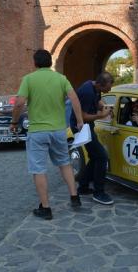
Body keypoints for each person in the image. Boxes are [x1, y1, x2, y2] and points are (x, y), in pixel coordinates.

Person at [10, 49, 84, 220]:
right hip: (58, 130)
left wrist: (14, 122)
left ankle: (46, 208)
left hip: (37, 132)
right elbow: (74, 99)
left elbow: (20, 102)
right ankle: (74, 196)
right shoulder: (61, 78)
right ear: (50, 62)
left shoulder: (29, 79)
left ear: (35, 63)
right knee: (65, 163)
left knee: (39, 169)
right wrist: (79, 120)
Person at [70, 72, 114, 205]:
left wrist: (105, 107)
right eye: (108, 87)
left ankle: (83, 187)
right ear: (100, 84)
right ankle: (99, 192)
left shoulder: (94, 87)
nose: (109, 90)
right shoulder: (87, 92)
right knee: (102, 157)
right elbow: (82, 116)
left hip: (87, 127)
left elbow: (97, 101)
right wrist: (102, 115)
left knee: (95, 156)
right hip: (81, 127)